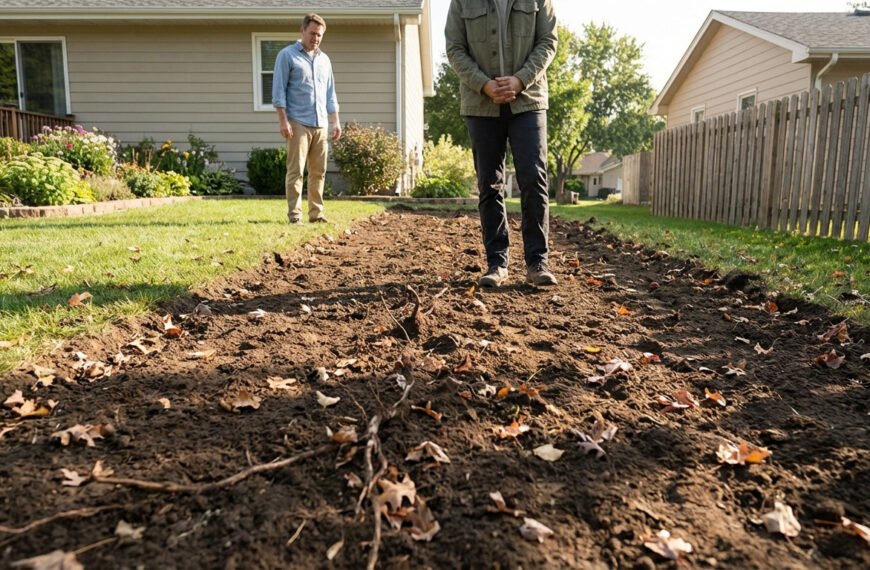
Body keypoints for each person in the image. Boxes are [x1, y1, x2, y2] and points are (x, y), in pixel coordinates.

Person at [445, 0, 558, 287]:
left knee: (534, 177)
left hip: (528, 101)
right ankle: (497, 263)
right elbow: (455, 48)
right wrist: (484, 84)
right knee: (489, 183)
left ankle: (537, 262)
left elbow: (547, 41)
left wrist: (520, 80)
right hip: (480, 103)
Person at [272, 13, 341, 224]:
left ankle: (316, 214)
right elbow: (278, 91)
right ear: (301, 30)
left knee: (318, 172)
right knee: (296, 172)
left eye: (319, 35)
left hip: (320, 123)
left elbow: (330, 93)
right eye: (312, 33)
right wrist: (283, 120)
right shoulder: (287, 56)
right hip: (297, 122)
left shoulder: (325, 60)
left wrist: (335, 120)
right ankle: (295, 215)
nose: (316, 38)